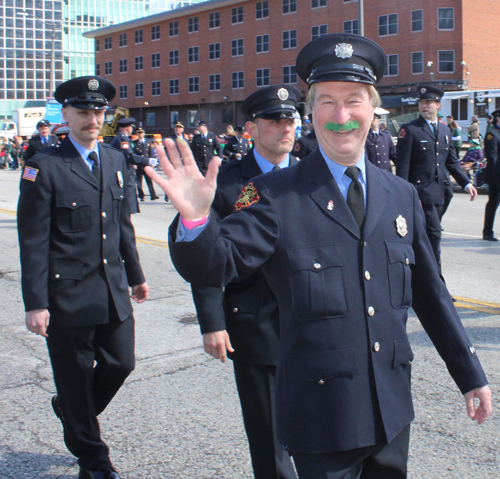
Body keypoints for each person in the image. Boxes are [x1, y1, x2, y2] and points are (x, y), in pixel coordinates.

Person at [147, 33, 491, 479]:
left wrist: (470, 372)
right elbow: (218, 264)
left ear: (373, 110)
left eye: (353, 101)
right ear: (312, 113)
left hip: (391, 408)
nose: (341, 117)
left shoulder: (400, 194)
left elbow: (430, 292)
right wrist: (195, 221)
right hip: (320, 413)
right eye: (327, 102)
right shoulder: (272, 194)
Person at [17, 76, 150, 479]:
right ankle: (93, 461)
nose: (92, 118)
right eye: (83, 111)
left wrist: (137, 275)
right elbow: (33, 241)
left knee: (120, 363)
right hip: (67, 293)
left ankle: (72, 410)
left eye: (98, 112)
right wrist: (35, 303)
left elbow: (122, 224)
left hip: (111, 288)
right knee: (74, 377)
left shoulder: (114, 159)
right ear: (67, 115)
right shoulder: (45, 167)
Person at [191, 85, 300, 479]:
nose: (285, 128)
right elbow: (206, 256)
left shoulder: (313, 174)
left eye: (290, 120)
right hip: (254, 321)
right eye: (274, 120)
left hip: (313, 320)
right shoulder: (226, 183)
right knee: (268, 434)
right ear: (252, 127)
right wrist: (212, 321)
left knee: (321, 426)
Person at [396, 85, 477, 276]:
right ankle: (437, 284)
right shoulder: (410, 130)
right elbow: (403, 168)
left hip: (440, 194)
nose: (425, 106)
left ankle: (417, 277)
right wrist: (404, 197)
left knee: (424, 239)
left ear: (438, 105)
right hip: (421, 195)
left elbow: (452, 162)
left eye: (429, 103)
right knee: (434, 237)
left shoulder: (444, 131)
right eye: (422, 102)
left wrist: (466, 183)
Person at [110, 118, 157, 213]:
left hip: (125, 171)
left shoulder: (122, 137)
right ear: (128, 127)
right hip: (125, 172)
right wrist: (147, 160)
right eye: (131, 127)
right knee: (127, 206)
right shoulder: (122, 138)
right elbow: (128, 156)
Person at [482, 109, 500, 241]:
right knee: (493, 203)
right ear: (498, 118)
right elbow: (492, 158)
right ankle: (487, 231)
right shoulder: (492, 134)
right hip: (496, 175)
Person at [133, 128, 159, 201]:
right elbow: (134, 154)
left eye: (142, 133)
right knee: (139, 182)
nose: (141, 134)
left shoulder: (147, 141)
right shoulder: (135, 143)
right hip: (139, 164)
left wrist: (152, 163)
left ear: (144, 133)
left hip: (147, 164)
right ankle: (141, 196)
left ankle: (153, 195)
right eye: (139, 133)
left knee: (149, 180)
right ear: (137, 134)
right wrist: (134, 163)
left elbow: (150, 153)